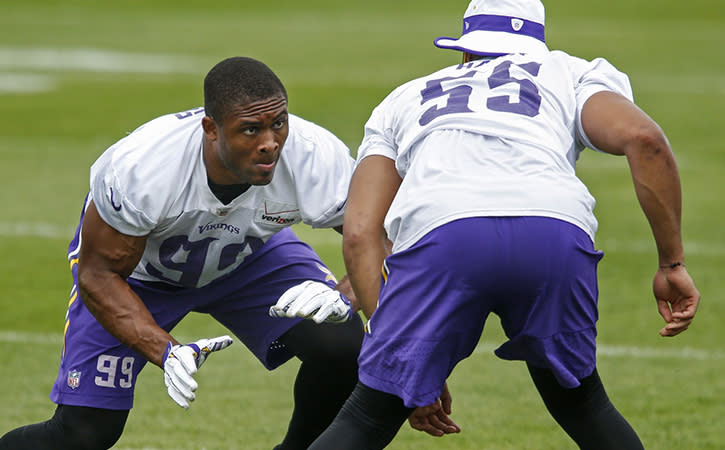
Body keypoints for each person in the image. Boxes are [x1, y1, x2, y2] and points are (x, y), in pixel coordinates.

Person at [308, 0, 702, 449]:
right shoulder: (567, 72)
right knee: (584, 405)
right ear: (536, 44)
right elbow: (645, 139)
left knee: (367, 417)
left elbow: (360, 233)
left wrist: (407, 356)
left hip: (444, 237)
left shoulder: (404, 98)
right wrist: (672, 263)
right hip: (553, 231)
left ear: (464, 51)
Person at [0, 56, 365, 450]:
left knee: (341, 345)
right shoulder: (142, 167)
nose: (270, 143)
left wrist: (343, 296)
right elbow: (97, 274)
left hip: (248, 257)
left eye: (279, 123)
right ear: (211, 128)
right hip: (140, 276)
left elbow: (385, 239)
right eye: (250, 129)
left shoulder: (315, 155)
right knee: (85, 431)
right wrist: (165, 349)